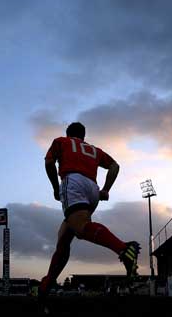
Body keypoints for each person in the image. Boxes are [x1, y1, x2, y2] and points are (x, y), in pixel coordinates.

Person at [39, 122, 140, 307]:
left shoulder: (61, 141)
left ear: (68, 134)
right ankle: (46, 285)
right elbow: (115, 166)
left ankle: (124, 249)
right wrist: (106, 189)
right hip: (92, 189)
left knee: (80, 227)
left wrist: (55, 188)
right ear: (83, 136)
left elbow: (48, 163)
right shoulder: (94, 150)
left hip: (73, 182)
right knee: (64, 238)